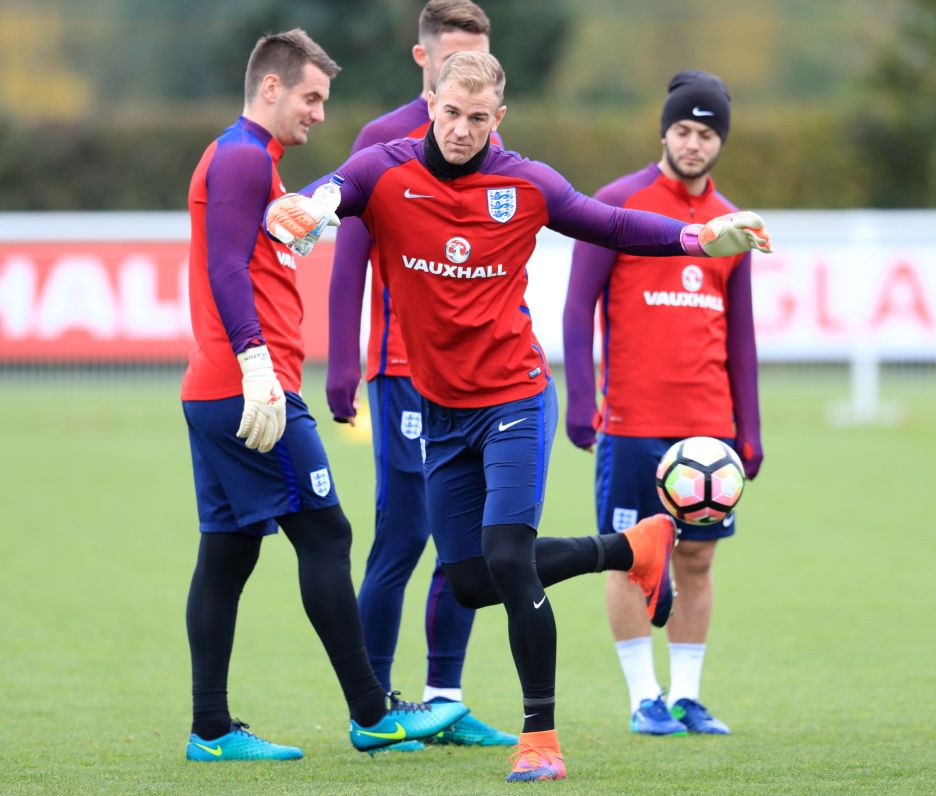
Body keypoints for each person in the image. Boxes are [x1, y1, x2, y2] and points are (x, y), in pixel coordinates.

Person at [266, 51, 770, 782]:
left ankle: (541, 738)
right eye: (451, 113)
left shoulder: (526, 183)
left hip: (514, 398)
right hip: (440, 411)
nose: (463, 130)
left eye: (479, 118)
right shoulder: (385, 168)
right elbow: (330, 192)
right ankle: (631, 548)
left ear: (497, 118)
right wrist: (305, 208)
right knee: (468, 581)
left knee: (506, 557)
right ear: (431, 102)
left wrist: (697, 237)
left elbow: (613, 225)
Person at [179, 28, 467, 763]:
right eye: (310, 97)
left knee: (228, 553)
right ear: (270, 87)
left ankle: (210, 730)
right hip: (253, 388)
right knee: (328, 534)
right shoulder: (243, 157)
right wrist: (255, 365)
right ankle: (373, 712)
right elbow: (224, 271)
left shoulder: (249, 160)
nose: (317, 113)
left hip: (216, 388)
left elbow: (250, 255)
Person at [328, 0, 514, 749]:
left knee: (460, 542)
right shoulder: (382, 140)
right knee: (402, 537)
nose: (463, 77)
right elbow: (347, 262)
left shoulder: (488, 143)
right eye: (451, 59)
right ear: (423, 61)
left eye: (480, 57)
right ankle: (372, 709)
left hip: (475, 377)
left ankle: (443, 701)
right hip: (402, 371)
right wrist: (343, 362)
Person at [562, 70, 764, 737]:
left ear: (720, 142)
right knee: (629, 555)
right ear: (663, 132)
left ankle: (686, 696)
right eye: (682, 129)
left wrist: (750, 430)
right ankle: (642, 697)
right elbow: (577, 304)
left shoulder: (730, 226)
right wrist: (582, 400)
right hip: (631, 424)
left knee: (697, 561)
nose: (693, 143)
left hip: (708, 431)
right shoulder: (619, 203)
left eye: (706, 134)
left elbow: (741, 334)